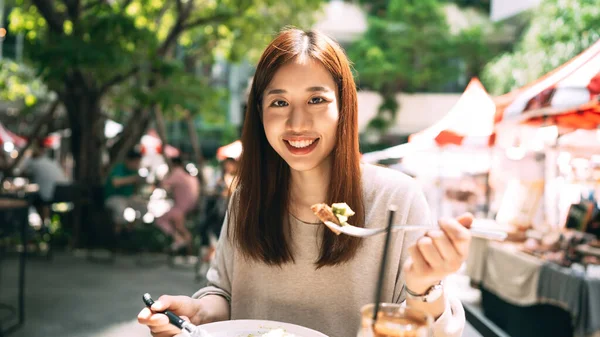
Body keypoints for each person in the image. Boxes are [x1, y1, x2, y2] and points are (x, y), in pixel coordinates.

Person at [138, 28, 472, 337]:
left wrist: (424, 287)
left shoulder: (396, 199)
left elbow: (428, 329)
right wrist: (197, 313)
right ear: (259, 113)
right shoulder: (247, 197)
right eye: (279, 102)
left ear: (343, 106)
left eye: (316, 100)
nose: (297, 123)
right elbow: (225, 293)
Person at [155, 157, 200, 252]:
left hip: (180, 208)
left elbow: (163, 183)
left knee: (160, 220)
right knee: (180, 226)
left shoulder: (177, 173)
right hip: (190, 207)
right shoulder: (189, 176)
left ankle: (178, 239)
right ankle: (189, 249)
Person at [22, 142, 69, 224]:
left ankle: (44, 223)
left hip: (51, 194)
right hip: (65, 191)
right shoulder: (51, 162)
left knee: (32, 199)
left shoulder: (33, 163)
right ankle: (46, 223)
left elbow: (22, 174)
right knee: (39, 198)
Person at [104, 148, 147, 238]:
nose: (137, 164)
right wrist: (133, 179)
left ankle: (130, 229)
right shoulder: (119, 168)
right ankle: (117, 234)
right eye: (136, 162)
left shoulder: (135, 171)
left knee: (143, 207)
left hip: (128, 197)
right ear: (129, 161)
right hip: (114, 197)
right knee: (120, 209)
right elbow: (116, 182)